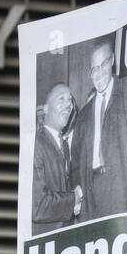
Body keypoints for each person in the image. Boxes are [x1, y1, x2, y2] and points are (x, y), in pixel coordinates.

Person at [71, 40, 127, 221]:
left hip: (121, 189)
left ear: (112, 60)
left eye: (103, 65)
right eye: (94, 69)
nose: (98, 74)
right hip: (91, 194)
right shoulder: (83, 115)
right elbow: (75, 161)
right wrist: (78, 192)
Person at [32, 83, 83, 235]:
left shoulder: (64, 146)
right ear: (45, 109)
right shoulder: (36, 143)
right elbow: (38, 206)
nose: (68, 105)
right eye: (61, 98)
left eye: (70, 100)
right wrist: (73, 199)